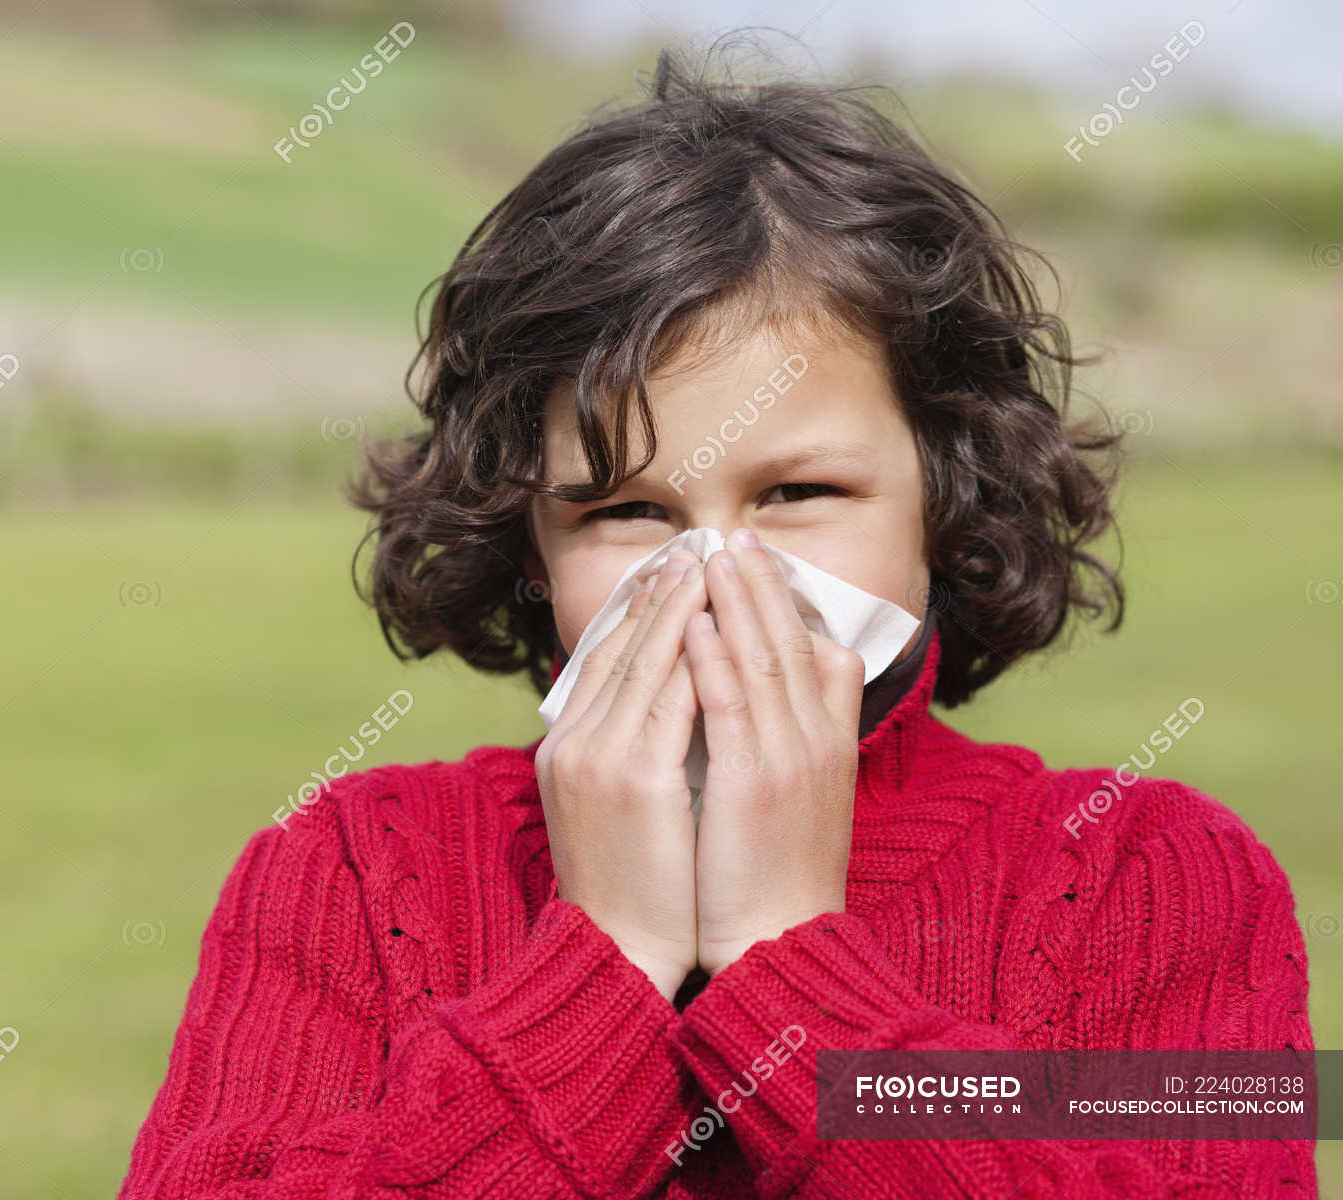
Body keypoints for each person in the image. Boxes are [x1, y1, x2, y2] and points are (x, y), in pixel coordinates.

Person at [113, 35, 1315, 1199]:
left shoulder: (1145, 875)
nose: (713, 574)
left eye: (797, 494)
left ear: (946, 498)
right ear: (526, 542)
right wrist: (605, 960)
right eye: (626, 512)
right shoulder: (353, 872)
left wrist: (791, 963)